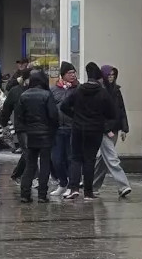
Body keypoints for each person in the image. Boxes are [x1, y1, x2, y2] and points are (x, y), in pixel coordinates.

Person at [60, 63, 115, 201]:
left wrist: (75, 116)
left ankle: (73, 188)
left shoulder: (79, 90)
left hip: (78, 128)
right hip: (95, 130)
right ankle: (89, 192)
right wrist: (100, 118)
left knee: (76, 158)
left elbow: (64, 106)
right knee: (89, 159)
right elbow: (112, 112)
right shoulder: (103, 93)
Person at [14, 70, 59, 203]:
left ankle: (25, 193)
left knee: (30, 164)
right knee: (45, 164)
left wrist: (25, 130)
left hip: (30, 134)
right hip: (46, 134)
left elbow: (19, 116)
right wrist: (53, 129)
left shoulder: (24, 95)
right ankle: (42, 195)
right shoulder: (47, 95)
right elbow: (53, 115)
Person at [93, 65, 132, 198]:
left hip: (113, 129)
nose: (111, 77)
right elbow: (98, 113)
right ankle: (123, 185)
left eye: (113, 75)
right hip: (104, 131)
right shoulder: (100, 91)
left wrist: (124, 128)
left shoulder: (116, 90)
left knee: (104, 160)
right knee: (111, 158)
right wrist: (107, 129)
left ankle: (92, 186)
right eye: (108, 75)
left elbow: (121, 110)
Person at [50, 62, 78, 196]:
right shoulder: (54, 89)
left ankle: (72, 186)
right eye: (69, 73)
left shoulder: (78, 89)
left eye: (74, 72)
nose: (73, 75)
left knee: (71, 158)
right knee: (56, 159)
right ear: (63, 75)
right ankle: (62, 182)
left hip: (73, 128)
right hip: (57, 129)